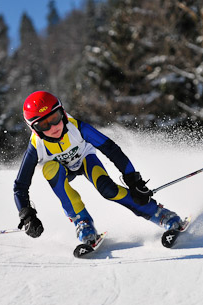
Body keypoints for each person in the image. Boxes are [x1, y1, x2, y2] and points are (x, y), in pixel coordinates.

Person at [13, 90, 184, 245]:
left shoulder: (78, 128)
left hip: (86, 160)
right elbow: (20, 186)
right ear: (34, 129)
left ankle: (158, 213)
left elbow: (111, 149)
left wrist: (133, 181)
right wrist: (27, 215)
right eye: (43, 125)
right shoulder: (36, 146)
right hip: (62, 170)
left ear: (63, 113)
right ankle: (82, 222)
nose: (53, 127)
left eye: (55, 118)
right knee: (49, 169)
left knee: (108, 190)